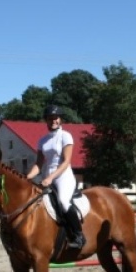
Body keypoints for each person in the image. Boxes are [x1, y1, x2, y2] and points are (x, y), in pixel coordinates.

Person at [26, 104, 85, 249]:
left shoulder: (66, 136)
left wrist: (51, 177)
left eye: (56, 118)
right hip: (47, 177)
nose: (53, 120)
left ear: (60, 119)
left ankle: (78, 236)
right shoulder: (42, 140)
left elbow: (66, 162)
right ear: (46, 120)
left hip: (63, 176)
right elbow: (39, 164)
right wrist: (27, 177)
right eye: (50, 118)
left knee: (64, 202)